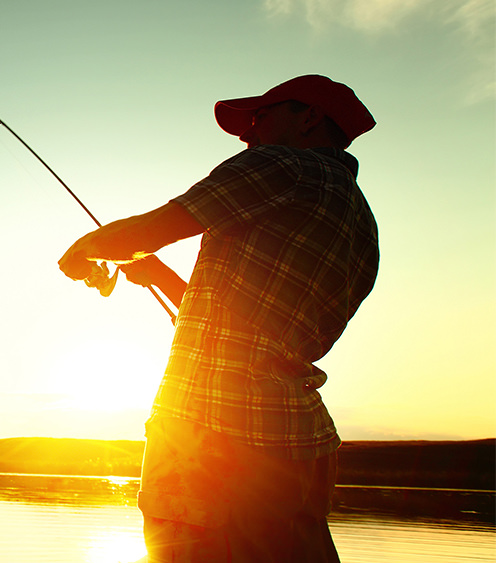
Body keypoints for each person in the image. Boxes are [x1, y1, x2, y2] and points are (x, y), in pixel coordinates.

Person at [58, 75, 378, 562]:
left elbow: (154, 227)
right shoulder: (360, 218)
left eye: (261, 116)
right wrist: (161, 276)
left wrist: (84, 250)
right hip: (302, 442)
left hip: (212, 431)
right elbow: (244, 330)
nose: (248, 133)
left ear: (309, 116)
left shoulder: (281, 164)